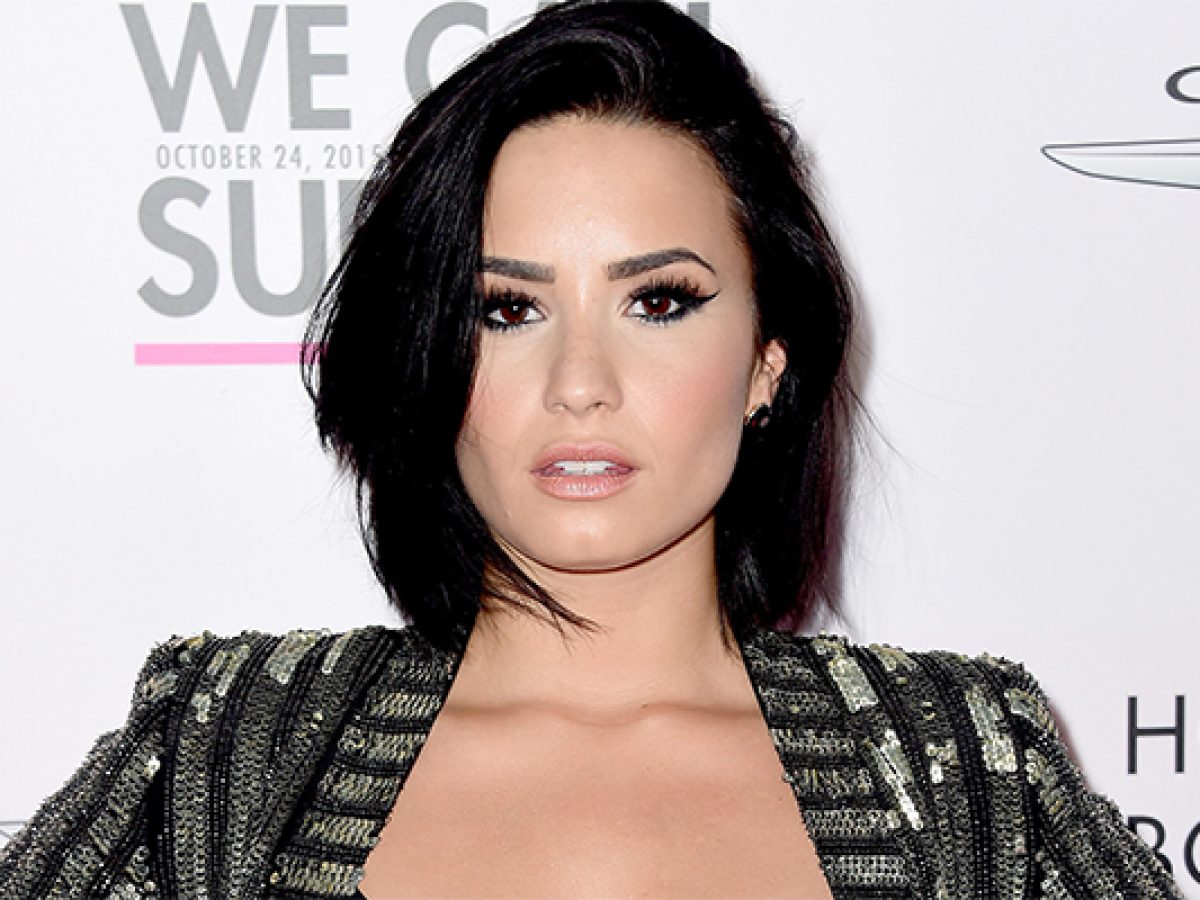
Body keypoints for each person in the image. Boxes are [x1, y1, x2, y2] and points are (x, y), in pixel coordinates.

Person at [0, 1, 1183, 898]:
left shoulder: (968, 774)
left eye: (658, 302)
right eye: (506, 309)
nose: (579, 384)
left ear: (768, 361)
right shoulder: (223, 756)